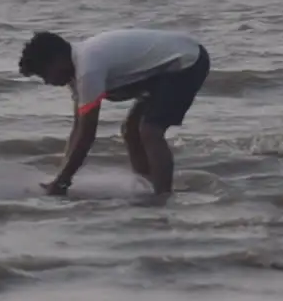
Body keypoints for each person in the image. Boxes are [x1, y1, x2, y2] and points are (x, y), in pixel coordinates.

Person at [17, 28, 210, 198]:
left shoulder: (88, 69)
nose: (47, 82)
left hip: (185, 61)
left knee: (150, 131)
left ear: (58, 59)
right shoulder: (77, 74)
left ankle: (162, 197)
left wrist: (62, 182)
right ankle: (146, 186)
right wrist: (59, 178)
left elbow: (86, 134)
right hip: (162, 70)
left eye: (44, 74)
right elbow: (77, 128)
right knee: (130, 129)